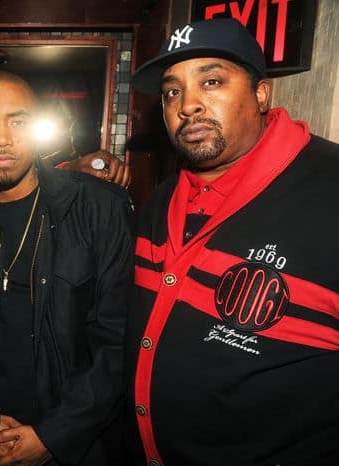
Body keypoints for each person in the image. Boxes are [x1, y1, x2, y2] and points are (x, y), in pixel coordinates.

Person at [127, 18, 339, 465]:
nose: (187, 105)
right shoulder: (160, 200)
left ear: (261, 93)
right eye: (172, 91)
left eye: (211, 81)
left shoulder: (330, 190)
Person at [0, 71, 133, 465]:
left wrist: (52, 437)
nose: (2, 138)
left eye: (17, 122)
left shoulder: (99, 208)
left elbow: (118, 341)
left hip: (74, 447)